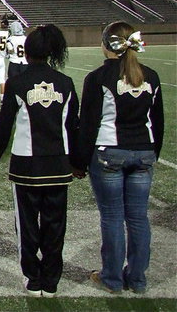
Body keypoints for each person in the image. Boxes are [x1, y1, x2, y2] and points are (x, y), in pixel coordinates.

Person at [0, 24, 79, 297]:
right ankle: (51, 281)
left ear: (25, 53)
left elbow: (4, 127)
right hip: (58, 164)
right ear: (50, 52)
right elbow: (73, 127)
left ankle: (33, 278)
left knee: (27, 225)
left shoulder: (17, 83)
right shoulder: (66, 83)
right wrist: (78, 163)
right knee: (55, 224)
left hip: (26, 165)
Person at [73, 21, 164, 295]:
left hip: (110, 152)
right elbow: (157, 122)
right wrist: (152, 153)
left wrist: (78, 161)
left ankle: (112, 278)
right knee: (138, 218)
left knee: (112, 217)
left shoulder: (99, 77)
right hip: (143, 151)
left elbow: (88, 124)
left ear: (105, 44)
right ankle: (137, 279)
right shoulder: (152, 76)